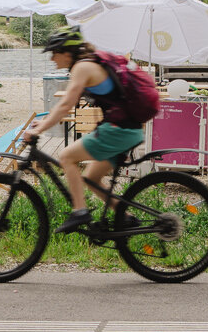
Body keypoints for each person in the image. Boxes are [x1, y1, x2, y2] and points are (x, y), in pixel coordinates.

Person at [26, 27, 156, 235]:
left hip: (118, 130)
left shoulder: (83, 67)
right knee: (91, 178)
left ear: (67, 52)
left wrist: (40, 128)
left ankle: (80, 212)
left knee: (66, 157)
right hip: (128, 130)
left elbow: (65, 104)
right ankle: (125, 217)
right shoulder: (90, 64)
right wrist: (43, 125)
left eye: (54, 52)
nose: (52, 58)